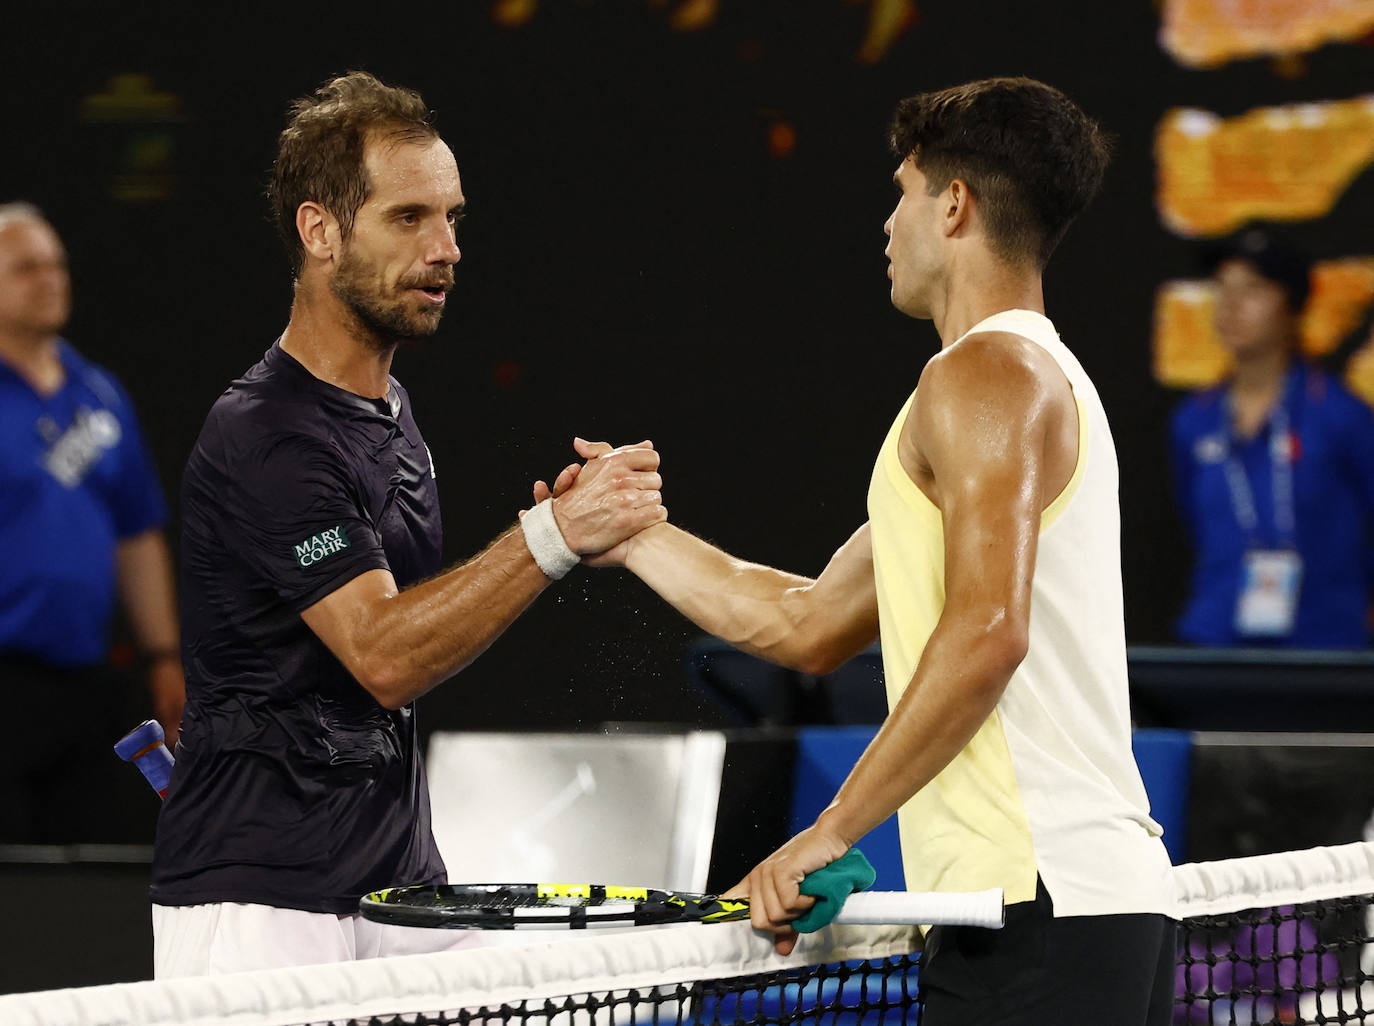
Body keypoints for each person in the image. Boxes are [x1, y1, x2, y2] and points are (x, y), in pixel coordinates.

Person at [551, 78, 1178, 1023]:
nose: (888, 223)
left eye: (903, 192)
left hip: (1044, 910)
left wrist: (831, 830)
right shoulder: (1010, 385)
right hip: (1044, 914)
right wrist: (633, 537)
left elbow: (988, 634)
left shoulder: (986, 376)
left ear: (955, 204)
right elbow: (804, 623)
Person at [148, 72, 665, 977]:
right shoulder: (264, 435)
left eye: (453, 218)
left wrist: (550, 533)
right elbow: (383, 656)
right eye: (409, 219)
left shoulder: (391, 413)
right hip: (261, 903)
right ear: (319, 232)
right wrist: (548, 540)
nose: (447, 249)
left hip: (392, 888)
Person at [0, 203, 184, 844]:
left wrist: (162, 655)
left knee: (83, 874)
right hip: (4, 674)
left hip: (86, 677)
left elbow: (137, 532)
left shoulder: (98, 393)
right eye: (27, 268)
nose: (50, 279)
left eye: (56, 265)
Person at [1171, 225, 1374, 648]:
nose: (1230, 305)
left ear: (1292, 305)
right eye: (1222, 289)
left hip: (1324, 647)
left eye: (1253, 290)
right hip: (1216, 642)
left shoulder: (1342, 416)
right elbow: (1191, 519)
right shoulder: (1194, 420)